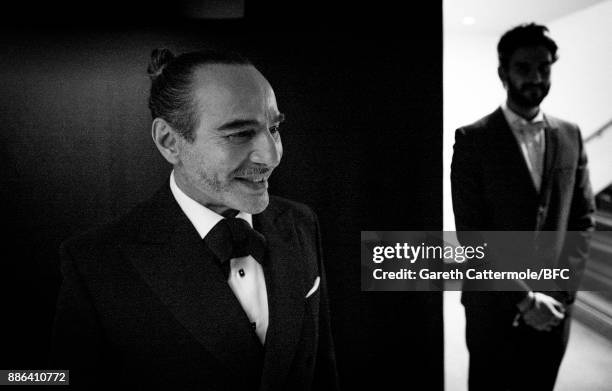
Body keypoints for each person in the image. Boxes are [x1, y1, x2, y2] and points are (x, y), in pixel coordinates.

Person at [51, 48, 339, 390]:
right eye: (239, 134)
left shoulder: (300, 222)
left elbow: (323, 372)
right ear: (169, 141)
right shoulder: (95, 264)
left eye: (273, 127)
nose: (272, 155)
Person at [451, 23, 595, 390]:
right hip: (493, 308)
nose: (536, 77)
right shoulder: (472, 140)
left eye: (544, 68)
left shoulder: (570, 135)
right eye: (524, 68)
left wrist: (556, 296)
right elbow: (473, 235)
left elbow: (582, 219)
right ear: (503, 73)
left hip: (555, 308)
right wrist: (524, 299)